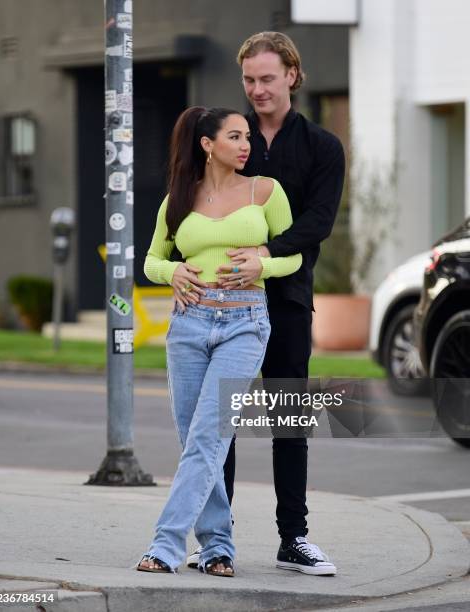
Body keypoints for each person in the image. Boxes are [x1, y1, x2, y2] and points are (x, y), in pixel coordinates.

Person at [185, 32, 345, 576]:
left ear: (292, 76)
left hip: (289, 298)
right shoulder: (226, 136)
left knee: (287, 416)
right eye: (249, 80)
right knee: (218, 421)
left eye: (267, 78)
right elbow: (192, 202)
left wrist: (266, 255)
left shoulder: (323, 147)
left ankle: (293, 538)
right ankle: (216, 541)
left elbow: (318, 222)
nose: (257, 89)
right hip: (221, 304)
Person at [137, 106, 302, 576]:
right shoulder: (177, 200)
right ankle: (217, 548)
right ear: (208, 145)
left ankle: (165, 545)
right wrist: (172, 271)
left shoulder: (266, 191)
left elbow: (294, 257)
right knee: (196, 441)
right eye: (234, 136)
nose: (246, 144)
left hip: (245, 321)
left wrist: (262, 266)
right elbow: (151, 261)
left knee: (209, 435)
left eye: (247, 135)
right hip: (188, 322)